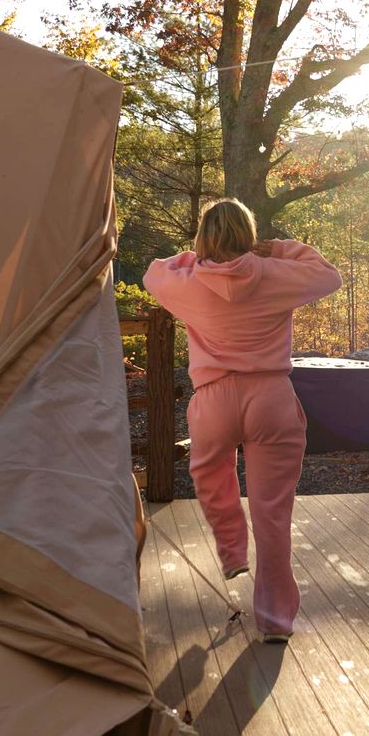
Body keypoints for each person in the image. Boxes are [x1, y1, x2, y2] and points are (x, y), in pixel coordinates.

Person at [144, 199, 341, 642]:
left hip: (214, 398)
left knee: (211, 474)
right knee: (272, 512)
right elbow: (329, 275)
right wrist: (277, 249)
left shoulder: (190, 280)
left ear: (204, 238)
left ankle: (232, 550)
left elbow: (153, 273)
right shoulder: (273, 273)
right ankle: (275, 621)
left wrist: (197, 255)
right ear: (250, 235)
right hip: (270, 396)